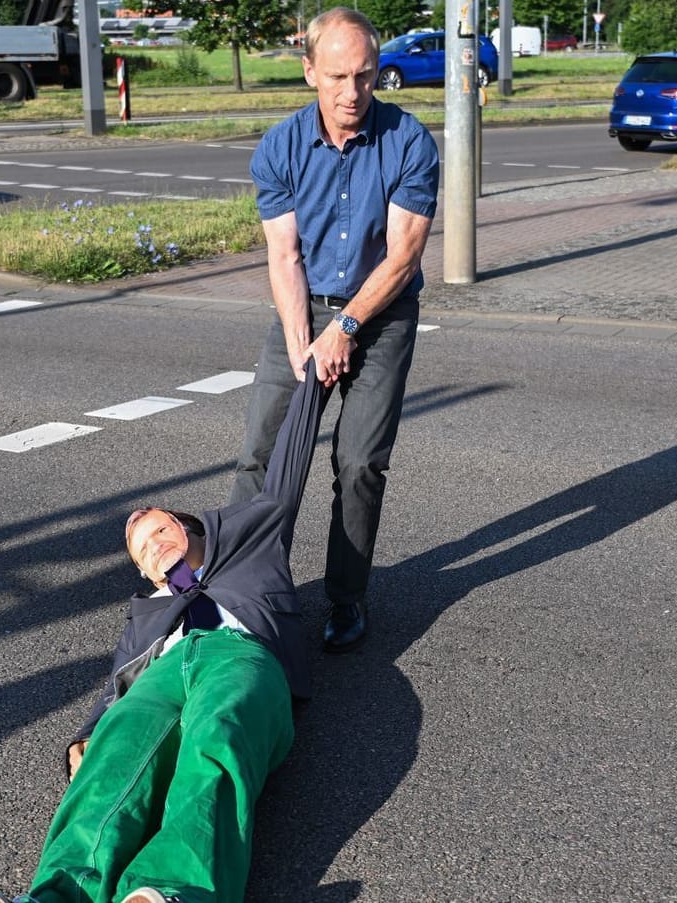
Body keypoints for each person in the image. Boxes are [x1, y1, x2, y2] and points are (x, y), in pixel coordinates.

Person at [0, 364, 329, 903]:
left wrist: (314, 382)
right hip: (166, 668)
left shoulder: (249, 545)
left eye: (160, 529)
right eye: (143, 549)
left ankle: (174, 891)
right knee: (115, 756)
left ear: (188, 527)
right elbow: (115, 688)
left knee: (214, 740)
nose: (155, 544)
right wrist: (85, 734)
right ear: (146, 574)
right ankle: (53, 898)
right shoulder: (146, 615)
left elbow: (289, 463)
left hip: (244, 656)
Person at [229, 7, 440, 654]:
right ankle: (242, 593)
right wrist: (302, 342)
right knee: (262, 453)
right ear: (309, 72)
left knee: (359, 461)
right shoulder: (280, 148)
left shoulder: (409, 142)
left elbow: (402, 257)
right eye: (338, 77)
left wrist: (346, 326)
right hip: (306, 305)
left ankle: (345, 599)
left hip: (382, 313)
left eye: (366, 78)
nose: (353, 94)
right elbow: (284, 255)